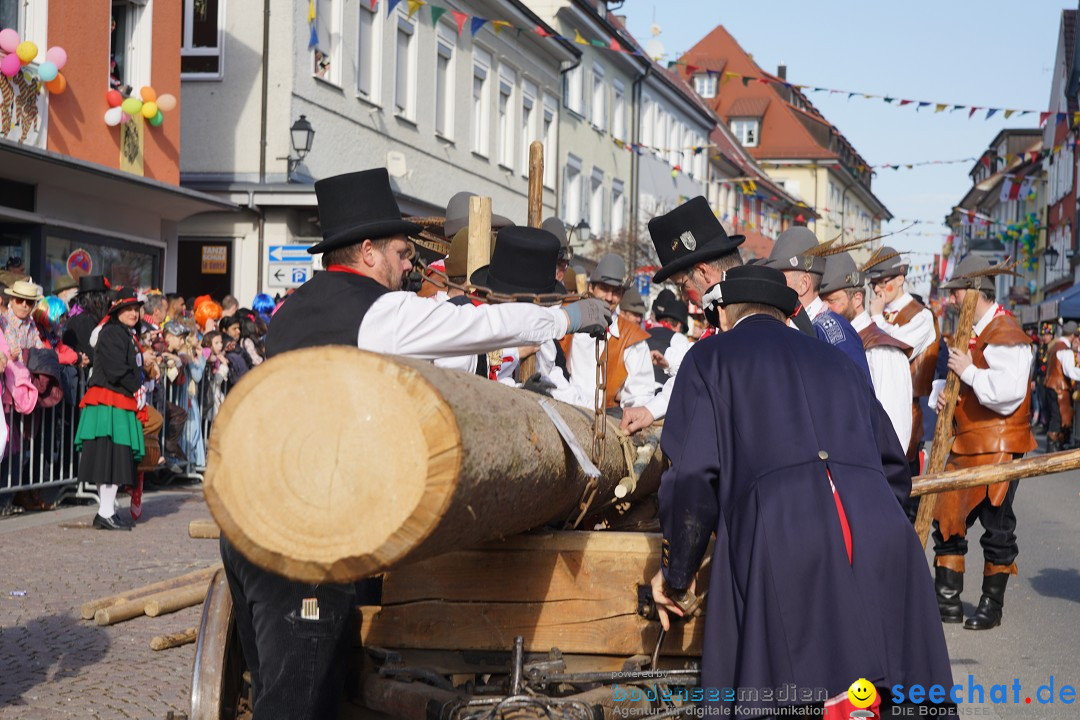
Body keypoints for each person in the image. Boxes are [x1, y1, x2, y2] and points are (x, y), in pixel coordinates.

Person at [220, 168, 611, 720]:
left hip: (246, 521)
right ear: (366, 251)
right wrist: (564, 316)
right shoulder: (380, 311)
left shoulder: (294, 310)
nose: (411, 265)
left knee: (276, 695)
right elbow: (481, 328)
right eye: (403, 253)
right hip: (307, 535)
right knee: (300, 704)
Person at [651, 263, 954, 716]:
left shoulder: (711, 357)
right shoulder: (836, 359)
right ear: (786, 313)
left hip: (789, 537)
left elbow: (692, 476)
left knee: (805, 694)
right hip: (881, 533)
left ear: (728, 314)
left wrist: (677, 573)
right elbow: (893, 464)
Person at [931, 255, 1036, 631]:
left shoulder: (1005, 332)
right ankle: (947, 602)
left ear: (975, 293)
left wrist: (969, 372)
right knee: (947, 519)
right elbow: (958, 383)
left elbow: (1006, 395)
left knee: (998, 527)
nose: (953, 300)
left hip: (999, 445)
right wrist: (944, 393)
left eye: (957, 292)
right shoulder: (969, 332)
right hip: (965, 445)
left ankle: (992, 606)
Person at [621, 196, 745, 433]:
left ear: (702, 272)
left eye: (683, 286)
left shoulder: (752, 313)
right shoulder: (720, 318)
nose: (684, 297)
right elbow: (693, 372)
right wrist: (649, 411)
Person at [821, 252, 913, 448]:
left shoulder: (881, 350)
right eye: (822, 301)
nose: (825, 309)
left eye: (832, 300)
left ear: (857, 298)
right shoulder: (827, 339)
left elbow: (894, 433)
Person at [74, 288, 147, 531]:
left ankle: (107, 510)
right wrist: (137, 388)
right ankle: (104, 512)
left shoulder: (122, 333)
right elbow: (117, 369)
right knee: (109, 457)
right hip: (108, 401)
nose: (133, 313)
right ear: (117, 312)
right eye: (128, 309)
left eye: (136, 309)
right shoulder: (113, 332)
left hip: (115, 401)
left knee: (114, 457)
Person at [865, 246, 941, 476]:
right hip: (878, 406)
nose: (877, 288)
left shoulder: (921, 315)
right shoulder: (880, 313)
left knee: (904, 484)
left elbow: (898, 347)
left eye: (882, 281)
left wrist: (876, 317)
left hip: (907, 408)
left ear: (900, 279)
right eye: (873, 283)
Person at [764, 227, 872, 385]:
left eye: (780, 278)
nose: (772, 285)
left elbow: (857, 399)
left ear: (803, 284)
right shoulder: (782, 326)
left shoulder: (834, 333)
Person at [558, 254, 655, 415]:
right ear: (591, 288)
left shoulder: (632, 338)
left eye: (616, 291)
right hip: (563, 410)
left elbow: (641, 394)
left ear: (622, 296)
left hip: (606, 422)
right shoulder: (568, 321)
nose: (609, 297)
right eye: (604, 288)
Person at [645, 289, 691, 390]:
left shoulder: (643, 332)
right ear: (678, 325)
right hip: (659, 396)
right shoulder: (678, 338)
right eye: (682, 329)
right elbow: (686, 370)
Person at [63, 275, 111, 368]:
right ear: (96, 300)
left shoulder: (80, 316)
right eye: (103, 298)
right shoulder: (84, 319)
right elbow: (92, 354)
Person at [1042, 321, 1076, 451]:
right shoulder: (1064, 349)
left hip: (1050, 385)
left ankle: (1053, 448)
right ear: (1072, 335)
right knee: (1058, 418)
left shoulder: (1054, 345)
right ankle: (1053, 450)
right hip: (1059, 388)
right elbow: (1069, 371)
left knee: (1054, 417)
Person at [1, 279, 46, 361]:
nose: (24, 305)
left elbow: (41, 351)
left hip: (29, 372)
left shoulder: (32, 325)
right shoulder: (2, 321)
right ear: (11, 301)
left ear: (33, 306)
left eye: (29, 302)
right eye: (20, 300)